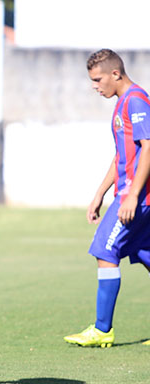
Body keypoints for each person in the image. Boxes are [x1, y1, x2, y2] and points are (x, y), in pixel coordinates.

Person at [64, 49, 150, 348]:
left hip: (137, 198)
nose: (95, 86)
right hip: (132, 195)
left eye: (98, 79)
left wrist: (132, 196)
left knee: (106, 250)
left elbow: (148, 148)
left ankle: (102, 329)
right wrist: (99, 194)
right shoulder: (122, 104)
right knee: (144, 253)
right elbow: (122, 156)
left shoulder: (136, 101)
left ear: (116, 74)